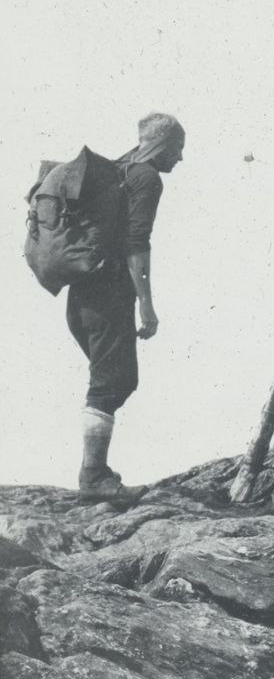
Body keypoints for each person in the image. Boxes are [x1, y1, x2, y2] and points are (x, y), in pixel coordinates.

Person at [70, 112, 185, 508]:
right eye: (178, 149)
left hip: (82, 291)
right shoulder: (147, 178)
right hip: (110, 292)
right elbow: (138, 243)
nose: (180, 159)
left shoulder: (119, 168)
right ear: (164, 145)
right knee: (110, 381)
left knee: (118, 379)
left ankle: (94, 474)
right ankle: (94, 478)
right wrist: (147, 306)